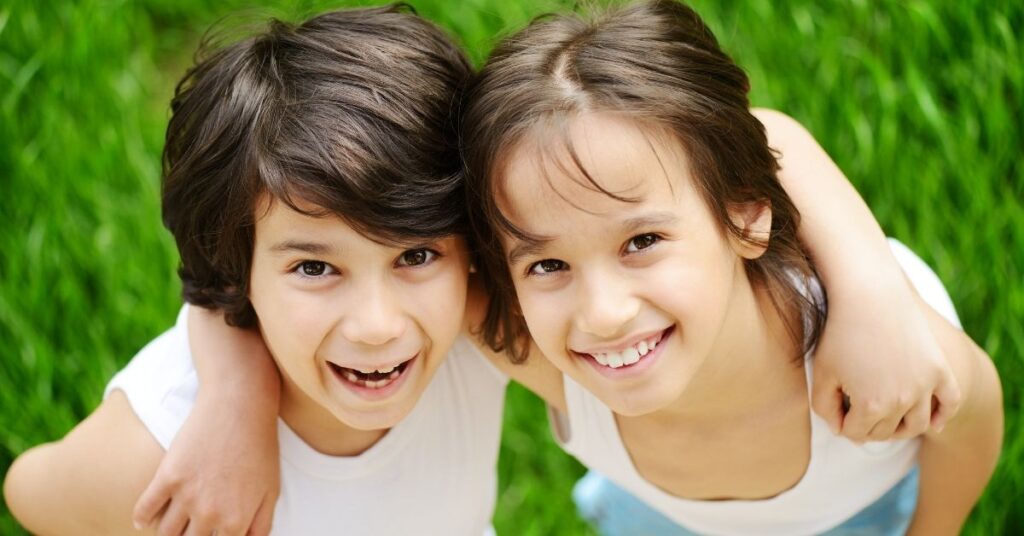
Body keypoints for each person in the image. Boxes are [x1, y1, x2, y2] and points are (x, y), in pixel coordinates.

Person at [457, 1, 1003, 534]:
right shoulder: (530, 345)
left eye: (643, 241)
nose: (603, 314)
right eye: (548, 264)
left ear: (744, 216)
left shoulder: (877, 357)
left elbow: (973, 420)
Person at [2, 6, 508, 535]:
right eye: (314, 267)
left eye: (417, 256)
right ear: (234, 266)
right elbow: (30, 493)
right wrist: (235, 397)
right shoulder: (160, 441)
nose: (377, 326)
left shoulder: (484, 327)